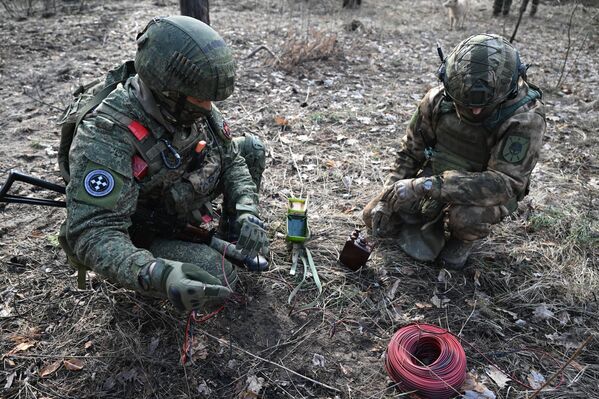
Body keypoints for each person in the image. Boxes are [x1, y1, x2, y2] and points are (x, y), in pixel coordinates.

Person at [58, 16, 269, 312]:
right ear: (167, 90)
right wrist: (157, 274)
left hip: (177, 195)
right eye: (200, 99)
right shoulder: (106, 133)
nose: (209, 108)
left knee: (252, 148)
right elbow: (93, 232)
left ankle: (228, 235)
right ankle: (175, 258)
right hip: (142, 231)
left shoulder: (190, 104)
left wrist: (247, 210)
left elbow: (231, 159)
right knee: (221, 277)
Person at [362, 33, 546, 268]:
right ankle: (428, 222)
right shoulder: (438, 99)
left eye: (484, 105)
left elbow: (504, 184)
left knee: (465, 220)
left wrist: (426, 187)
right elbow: (410, 152)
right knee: (373, 217)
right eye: (466, 104)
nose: (476, 112)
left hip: (483, 195)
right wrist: (389, 194)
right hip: (438, 174)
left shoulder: (524, 119)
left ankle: (463, 238)